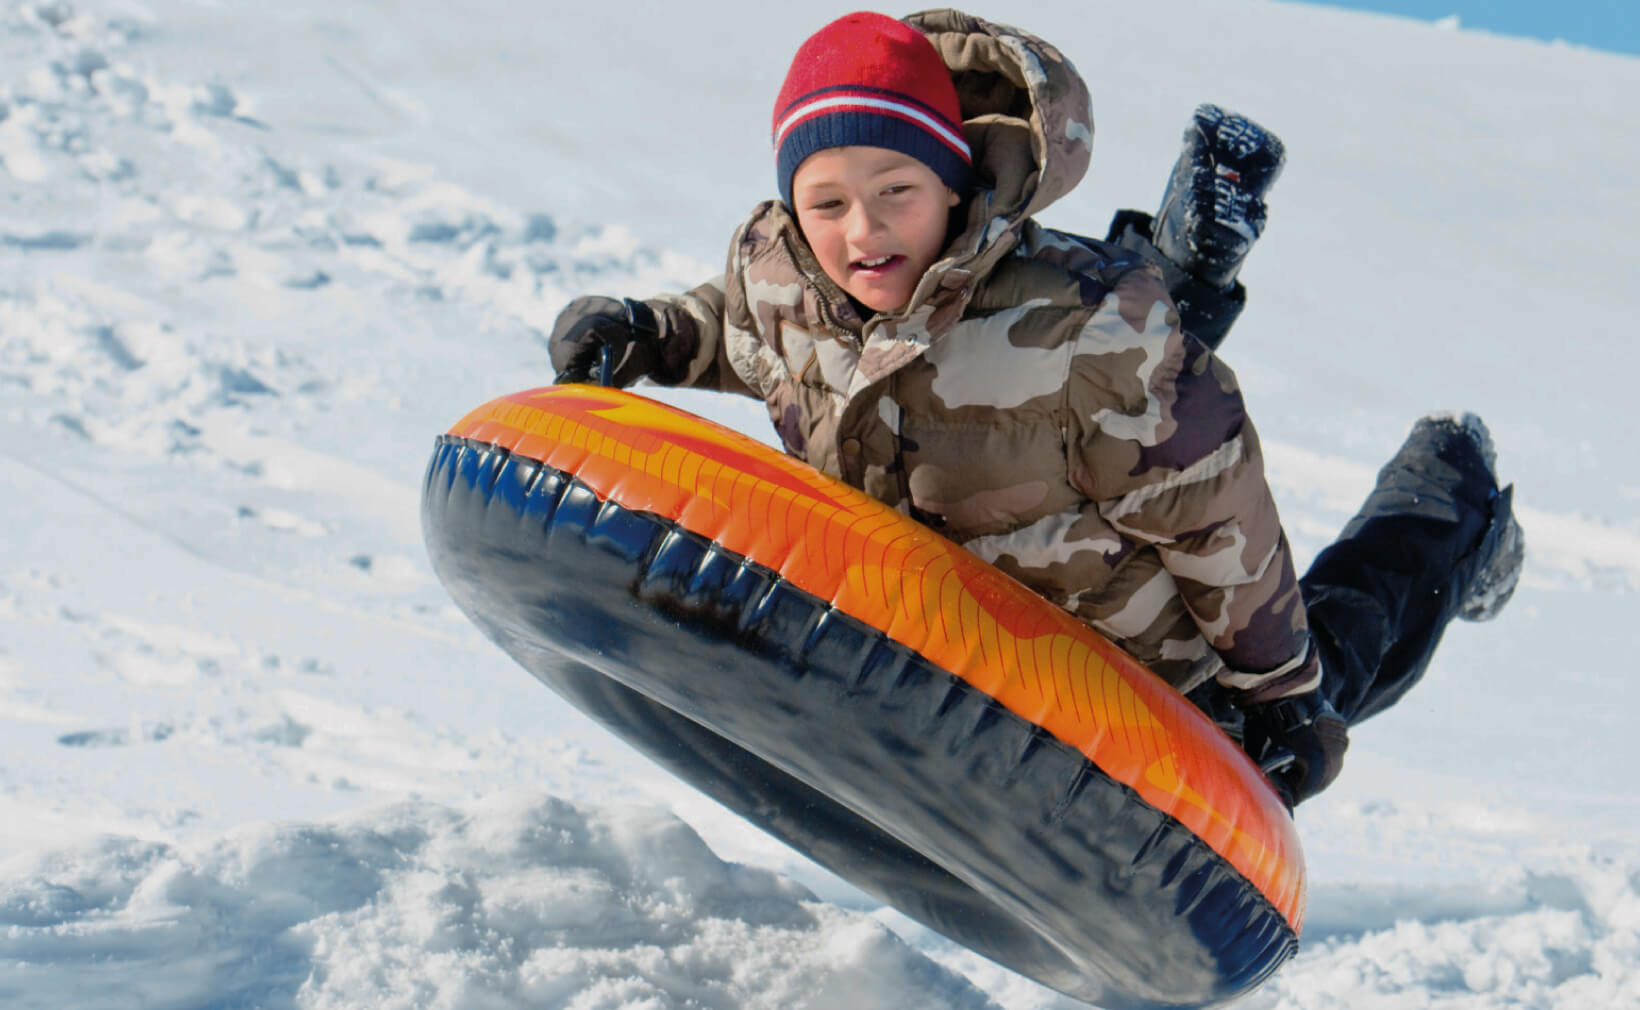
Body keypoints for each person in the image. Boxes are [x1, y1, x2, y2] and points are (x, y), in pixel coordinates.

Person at [547, 10, 1523, 808]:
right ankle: (1185, 255)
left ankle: (1450, 492)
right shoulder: (783, 283)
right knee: (1100, 380)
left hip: (1143, 672)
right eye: (827, 202)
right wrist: (646, 331)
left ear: (956, 182)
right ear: (790, 209)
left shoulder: (1088, 338)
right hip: (966, 616)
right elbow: (739, 328)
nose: (864, 229)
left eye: (896, 190)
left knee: (1336, 646)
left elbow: (1211, 504)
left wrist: (1282, 694)